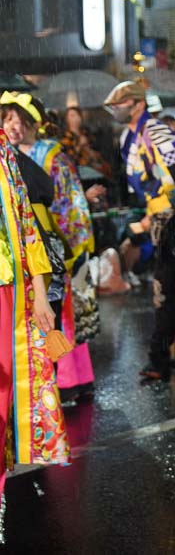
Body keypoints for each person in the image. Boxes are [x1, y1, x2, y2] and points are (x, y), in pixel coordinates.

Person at [103, 81, 175, 380]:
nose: (115, 110)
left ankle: (160, 358)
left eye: (119, 104)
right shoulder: (135, 134)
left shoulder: (155, 131)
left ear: (137, 104)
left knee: (166, 292)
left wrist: (163, 214)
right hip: (165, 219)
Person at [1, 93, 97, 403]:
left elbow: (71, 205)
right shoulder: (10, 155)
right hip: (29, 242)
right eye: (8, 119)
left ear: (34, 123)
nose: (13, 125)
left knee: (59, 313)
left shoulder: (53, 156)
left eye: (19, 119)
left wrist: (73, 247)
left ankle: (69, 379)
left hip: (51, 241)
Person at [0, 125, 68, 538]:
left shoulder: (5, 153)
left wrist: (40, 294)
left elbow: (27, 225)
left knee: (3, 396)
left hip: (9, 291)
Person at [60, 106, 112, 181]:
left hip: (94, 166)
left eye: (77, 115)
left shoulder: (85, 132)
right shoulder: (66, 136)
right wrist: (80, 145)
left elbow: (97, 151)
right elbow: (69, 158)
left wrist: (92, 153)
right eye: (71, 115)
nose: (75, 118)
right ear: (66, 119)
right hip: (79, 169)